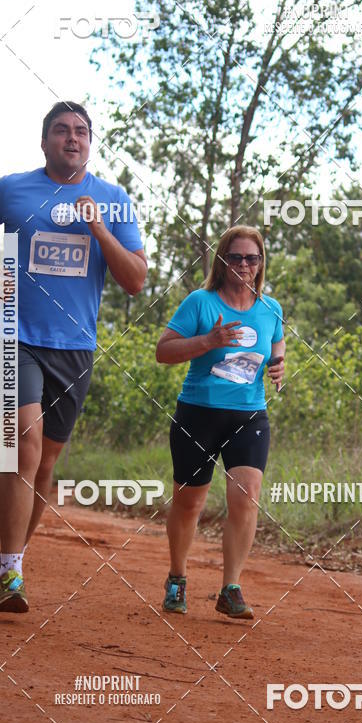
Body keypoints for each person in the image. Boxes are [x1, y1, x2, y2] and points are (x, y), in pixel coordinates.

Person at [0, 101, 147, 612]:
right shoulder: (11, 189)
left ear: (90, 143)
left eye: (81, 131)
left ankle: (9, 558)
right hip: (10, 335)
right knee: (23, 444)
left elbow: (135, 280)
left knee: (46, 465)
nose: (72, 138)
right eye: (61, 130)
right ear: (44, 142)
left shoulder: (113, 199)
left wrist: (100, 228)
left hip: (75, 346)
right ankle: (12, 575)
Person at [156, 226, 285, 619]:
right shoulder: (201, 302)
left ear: (260, 263)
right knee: (190, 502)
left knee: (246, 496)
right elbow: (164, 351)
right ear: (222, 260)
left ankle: (231, 588)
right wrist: (208, 342)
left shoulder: (271, 309)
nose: (244, 265)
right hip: (199, 413)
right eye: (236, 257)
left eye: (252, 258)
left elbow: (276, 345)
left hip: (249, 415)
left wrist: (279, 366)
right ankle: (177, 577)